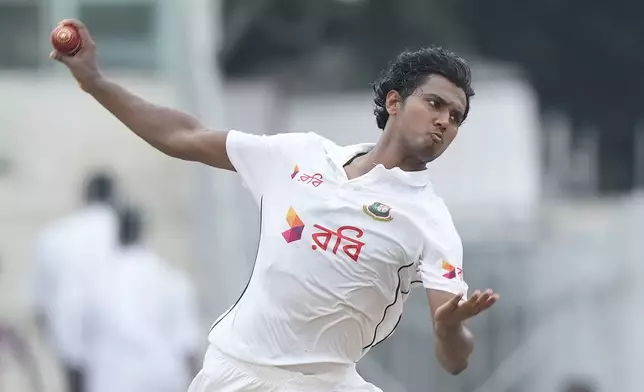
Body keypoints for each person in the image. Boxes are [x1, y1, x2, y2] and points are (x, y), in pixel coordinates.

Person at [51, 19, 499, 392]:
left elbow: (455, 359)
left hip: (327, 383)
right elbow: (181, 136)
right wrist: (95, 82)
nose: (444, 121)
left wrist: (448, 330)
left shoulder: (430, 219)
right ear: (395, 102)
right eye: (435, 103)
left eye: (456, 117)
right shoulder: (301, 154)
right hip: (238, 373)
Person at [82, 207, 201, 392]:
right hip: (162, 380)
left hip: (111, 381)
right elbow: (187, 344)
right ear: (144, 233)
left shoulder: (95, 281)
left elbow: (79, 342)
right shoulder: (172, 279)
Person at [31, 171, 118, 392]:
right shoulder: (119, 232)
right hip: (113, 336)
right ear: (114, 196)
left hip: (67, 332)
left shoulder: (54, 234)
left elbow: (39, 301)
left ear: (84, 196)